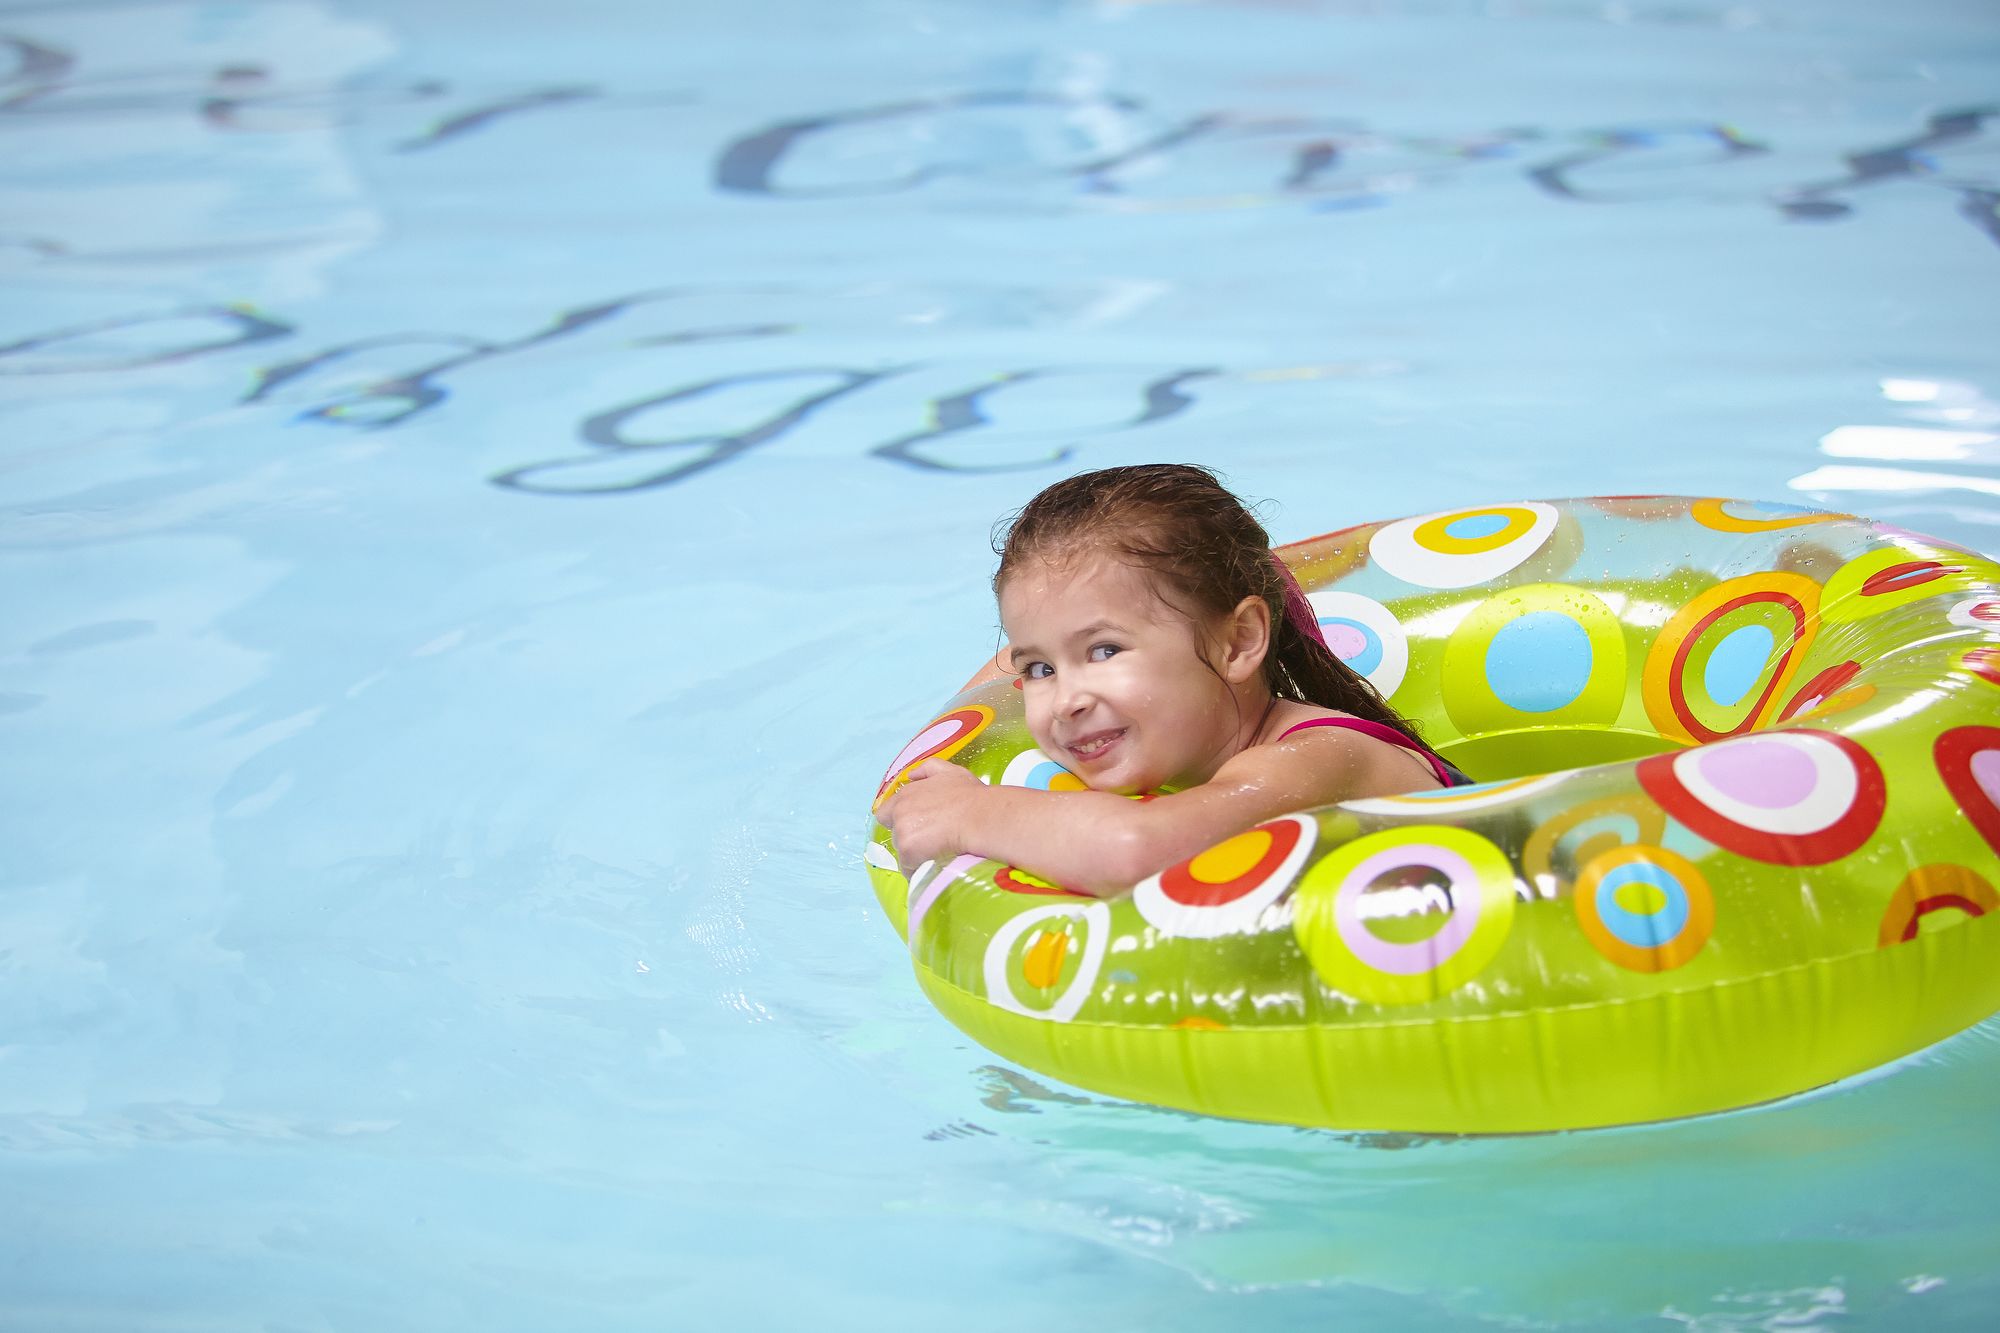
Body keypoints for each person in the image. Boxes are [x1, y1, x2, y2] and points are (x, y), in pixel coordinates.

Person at [878, 464, 1471, 896]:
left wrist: (971, 812)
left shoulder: (1316, 757)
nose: (1066, 701)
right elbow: (999, 673)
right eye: (1043, 669)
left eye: (1105, 650)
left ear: (1239, 642)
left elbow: (1139, 852)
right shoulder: (1179, 735)